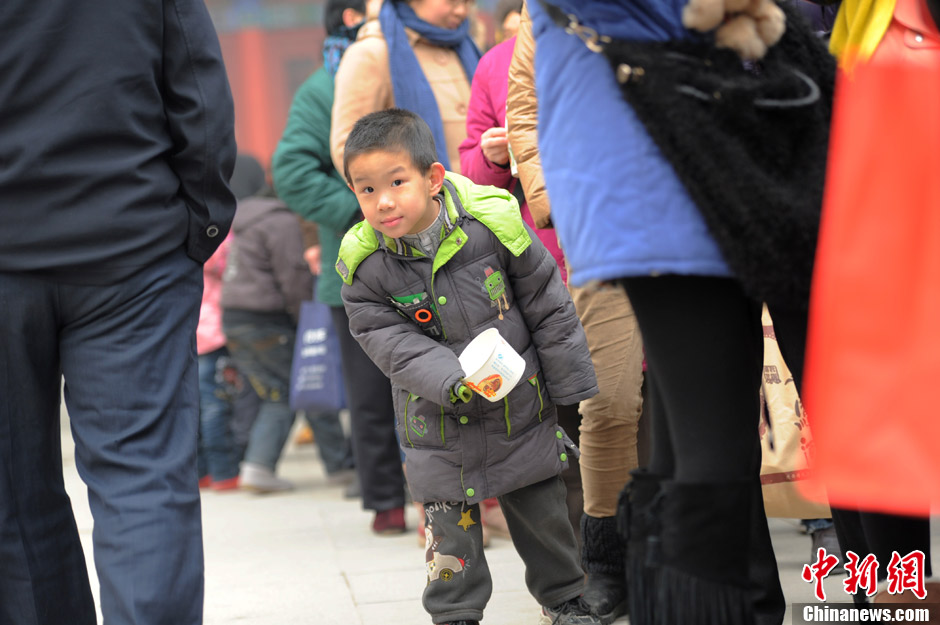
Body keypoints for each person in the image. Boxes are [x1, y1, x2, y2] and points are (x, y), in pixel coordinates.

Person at [0, 0, 236, 623]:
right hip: (132, 245)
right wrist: (201, 224)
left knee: (10, 497)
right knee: (144, 478)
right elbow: (197, 85)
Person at [336, 108, 600, 625]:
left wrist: (569, 383)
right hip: (435, 421)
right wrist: (451, 378)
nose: (383, 201)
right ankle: (455, 613)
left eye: (396, 182)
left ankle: (565, 599)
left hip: (518, 408)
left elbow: (547, 303)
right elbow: (388, 341)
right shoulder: (364, 266)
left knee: (544, 514)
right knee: (448, 537)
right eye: (367, 190)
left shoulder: (492, 224)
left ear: (433, 178)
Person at [504, 8, 646, 622]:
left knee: (708, 399)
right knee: (608, 400)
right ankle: (607, 561)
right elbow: (525, 111)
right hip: (602, 223)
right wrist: (556, 198)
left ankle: (697, 558)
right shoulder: (546, 12)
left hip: (697, 211)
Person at [328, 0, 481, 532]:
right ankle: (442, 507)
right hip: (413, 240)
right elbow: (347, 149)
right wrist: (399, 201)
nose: (462, 7)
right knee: (430, 376)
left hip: (472, 228)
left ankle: (494, 492)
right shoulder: (374, 51)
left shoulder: (464, 44)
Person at [272, 0, 402, 524]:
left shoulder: (414, 65)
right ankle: (386, 502)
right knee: (370, 395)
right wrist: (361, 205)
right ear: (353, 17)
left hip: (434, 257)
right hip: (356, 266)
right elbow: (291, 170)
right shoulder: (322, 89)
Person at [222, 155, 352, 493]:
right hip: (267, 320)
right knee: (306, 386)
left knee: (277, 392)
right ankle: (338, 466)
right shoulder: (280, 222)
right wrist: (307, 320)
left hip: (235, 318)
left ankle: (258, 467)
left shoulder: (250, 219)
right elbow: (293, 280)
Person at [197, 235, 242, 491]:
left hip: (187, 330)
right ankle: (224, 472)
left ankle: (199, 471)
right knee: (216, 404)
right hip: (211, 330)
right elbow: (228, 268)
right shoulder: (210, 235)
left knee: (193, 405)